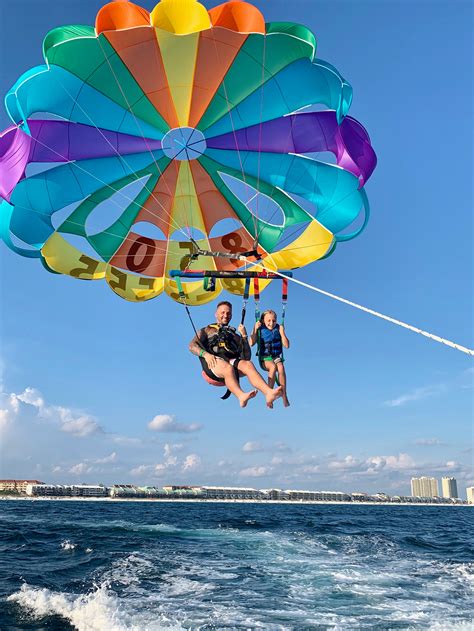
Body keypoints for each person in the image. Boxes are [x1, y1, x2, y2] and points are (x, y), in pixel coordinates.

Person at [189, 301, 283, 408]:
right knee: (227, 368)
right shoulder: (206, 330)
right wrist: (205, 355)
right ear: (216, 314)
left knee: (248, 365)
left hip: (230, 363)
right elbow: (192, 346)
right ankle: (241, 396)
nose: (226, 315)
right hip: (213, 363)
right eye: (222, 312)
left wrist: (244, 336)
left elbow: (246, 357)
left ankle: (268, 393)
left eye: (228, 313)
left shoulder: (234, 335)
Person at [250, 310, 290, 407]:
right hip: (265, 358)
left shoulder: (278, 329)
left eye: (274, 320)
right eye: (268, 320)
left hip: (275, 356)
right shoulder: (260, 328)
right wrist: (255, 329)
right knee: (273, 367)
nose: (271, 323)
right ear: (263, 320)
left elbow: (287, 346)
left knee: (281, 367)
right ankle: (269, 395)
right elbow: (251, 343)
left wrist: (282, 332)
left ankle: (284, 395)